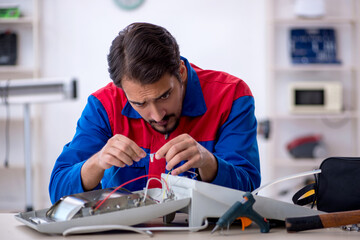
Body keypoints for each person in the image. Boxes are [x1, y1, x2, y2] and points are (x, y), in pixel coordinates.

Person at [49, 22, 261, 204]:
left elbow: (246, 191)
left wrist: (209, 163)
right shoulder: (103, 106)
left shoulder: (232, 96)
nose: (157, 115)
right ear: (122, 91)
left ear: (181, 71)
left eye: (164, 96)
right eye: (139, 103)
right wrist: (96, 162)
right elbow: (58, 193)